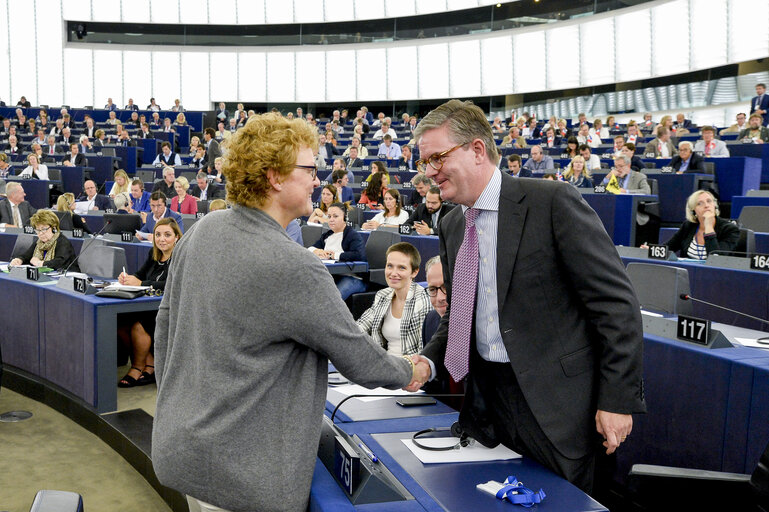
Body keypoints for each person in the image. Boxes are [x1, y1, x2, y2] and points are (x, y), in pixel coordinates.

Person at [151, 113, 427, 512]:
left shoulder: (201, 230)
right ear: (275, 177)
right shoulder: (294, 266)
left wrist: (177, 404)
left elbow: (164, 326)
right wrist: (410, 370)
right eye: (310, 169)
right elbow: (359, 359)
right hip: (244, 474)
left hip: (183, 451)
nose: (318, 180)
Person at [410, 99, 645, 493]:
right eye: (425, 162)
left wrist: (618, 400)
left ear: (477, 150)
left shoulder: (552, 203)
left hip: (559, 410)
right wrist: (427, 364)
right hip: (489, 406)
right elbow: (460, 314)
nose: (430, 172)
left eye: (438, 158)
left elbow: (616, 307)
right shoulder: (452, 224)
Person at [117, 218, 181, 388]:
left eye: (167, 235)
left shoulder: (181, 258)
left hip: (169, 309)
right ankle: (149, 363)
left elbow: (171, 284)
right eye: (158, 235)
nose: (162, 239)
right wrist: (127, 279)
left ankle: (138, 368)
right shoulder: (154, 255)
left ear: (177, 237)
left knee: (139, 323)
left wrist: (142, 284)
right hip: (147, 304)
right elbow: (139, 275)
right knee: (121, 321)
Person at [357, 242, 432, 356]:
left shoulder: (423, 300)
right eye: (390, 266)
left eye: (401, 268)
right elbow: (360, 326)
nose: (393, 273)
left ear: (414, 272)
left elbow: (423, 351)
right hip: (382, 364)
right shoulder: (382, 295)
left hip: (409, 369)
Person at [655, 190, 739, 259]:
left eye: (709, 201)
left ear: (715, 206)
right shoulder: (688, 226)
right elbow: (668, 248)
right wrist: (651, 250)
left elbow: (717, 259)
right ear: (693, 211)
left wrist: (708, 227)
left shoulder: (730, 229)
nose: (706, 205)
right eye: (700, 203)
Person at [9, 210, 77, 271]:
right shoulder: (39, 242)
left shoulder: (62, 241)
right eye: (38, 230)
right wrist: (19, 260)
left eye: (44, 229)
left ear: (53, 228)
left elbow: (60, 262)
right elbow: (26, 256)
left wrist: (40, 263)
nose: (40, 233)